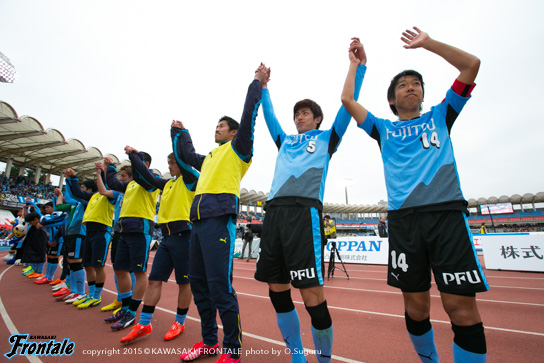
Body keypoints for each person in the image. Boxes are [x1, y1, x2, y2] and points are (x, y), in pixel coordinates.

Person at [341, 28, 489, 363]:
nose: (411, 87)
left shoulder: (442, 114)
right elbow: (348, 101)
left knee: (460, 308)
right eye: (403, 85)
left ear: (423, 94)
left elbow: (471, 65)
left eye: (416, 83)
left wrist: (428, 44)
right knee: (417, 308)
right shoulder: (382, 128)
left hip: (447, 217)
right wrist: (356, 65)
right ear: (392, 99)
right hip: (404, 224)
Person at [253, 43, 366, 363]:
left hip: (304, 216)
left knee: (312, 295)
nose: (299, 116)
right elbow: (270, 115)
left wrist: (356, 68)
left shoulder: (327, 138)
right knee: (277, 291)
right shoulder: (284, 140)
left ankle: (324, 359)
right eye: (297, 113)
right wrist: (263, 86)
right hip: (274, 213)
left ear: (317, 119)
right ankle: (297, 356)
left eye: (305, 113)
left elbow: (348, 106)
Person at [175, 67, 265, 363]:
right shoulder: (211, 157)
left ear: (234, 132)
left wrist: (257, 84)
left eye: (221, 126)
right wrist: (179, 132)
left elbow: (249, 114)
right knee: (198, 284)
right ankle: (209, 342)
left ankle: (233, 350)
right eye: (215, 125)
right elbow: (186, 156)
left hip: (219, 221)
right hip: (198, 224)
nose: (217, 128)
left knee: (220, 287)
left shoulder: (239, 149)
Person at [118, 125, 200, 344]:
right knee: (154, 280)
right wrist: (134, 156)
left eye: (172, 163)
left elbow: (184, 161)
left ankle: (179, 321)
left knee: (184, 283)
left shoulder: (190, 179)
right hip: (166, 238)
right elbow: (145, 176)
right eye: (168, 163)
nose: (170, 167)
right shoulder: (168, 184)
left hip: (185, 236)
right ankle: (144, 323)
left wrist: (177, 136)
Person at [104, 149, 160, 331]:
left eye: (137, 161)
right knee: (120, 268)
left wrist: (133, 156)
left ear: (145, 164)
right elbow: (112, 182)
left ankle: (132, 312)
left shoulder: (150, 181)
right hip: (124, 229)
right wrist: (109, 167)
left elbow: (142, 175)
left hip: (140, 228)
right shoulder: (131, 184)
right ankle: (126, 306)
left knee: (139, 271)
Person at [64, 167, 116, 309]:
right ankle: (91, 294)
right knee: (87, 264)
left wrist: (101, 173)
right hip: (89, 232)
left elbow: (105, 187)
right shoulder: (93, 196)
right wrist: (71, 178)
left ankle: (97, 296)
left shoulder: (110, 195)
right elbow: (76, 193)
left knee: (98, 265)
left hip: (101, 231)